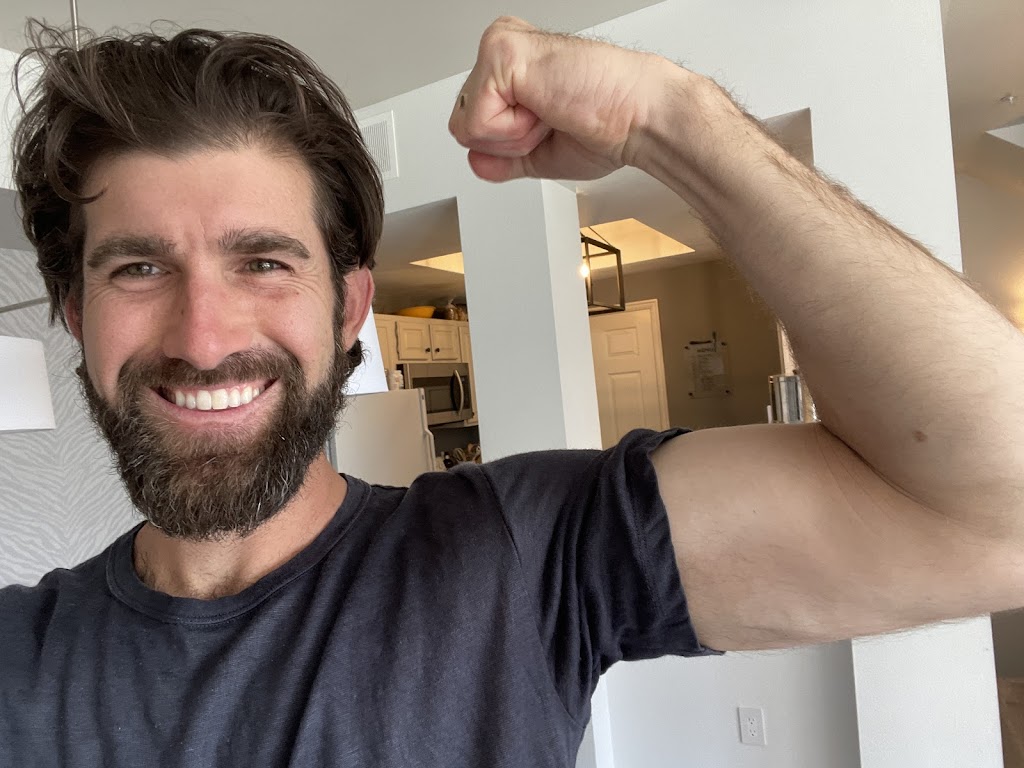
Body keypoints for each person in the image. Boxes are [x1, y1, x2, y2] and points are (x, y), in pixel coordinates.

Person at [1, 14, 1021, 767]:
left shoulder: (521, 553)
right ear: (77, 313)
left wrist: (674, 119)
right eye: (139, 267)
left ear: (349, 308)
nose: (203, 337)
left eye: (263, 262)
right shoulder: (20, 658)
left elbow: (997, 516)